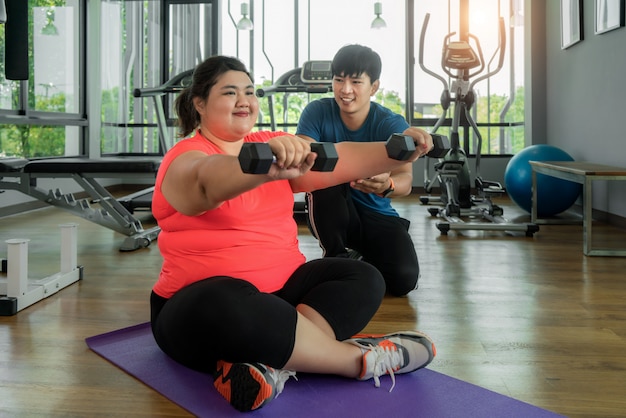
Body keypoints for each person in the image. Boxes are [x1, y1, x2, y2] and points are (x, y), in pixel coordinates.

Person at [149, 55, 436, 413]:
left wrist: (398, 149)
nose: (244, 101)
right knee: (226, 296)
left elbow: (341, 157)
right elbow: (207, 181)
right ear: (199, 103)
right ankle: (357, 361)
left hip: (280, 297)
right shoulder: (184, 159)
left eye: (250, 92)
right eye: (230, 92)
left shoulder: (273, 142)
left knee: (362, 275)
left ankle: (273, 367)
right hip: (197, 312)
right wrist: (265, 164)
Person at [296, 44, 425, 297]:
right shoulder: (317, 112)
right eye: (338, 80)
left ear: (373, 87)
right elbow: (302, 159)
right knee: (324, 177)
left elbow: (405, 180)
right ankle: (335, 257)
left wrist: (387, 185)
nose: (345, 90)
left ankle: (356, 260)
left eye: (356, 81)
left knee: (403, 279)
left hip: (375, 210)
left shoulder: (391, 123)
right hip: (331, 209)